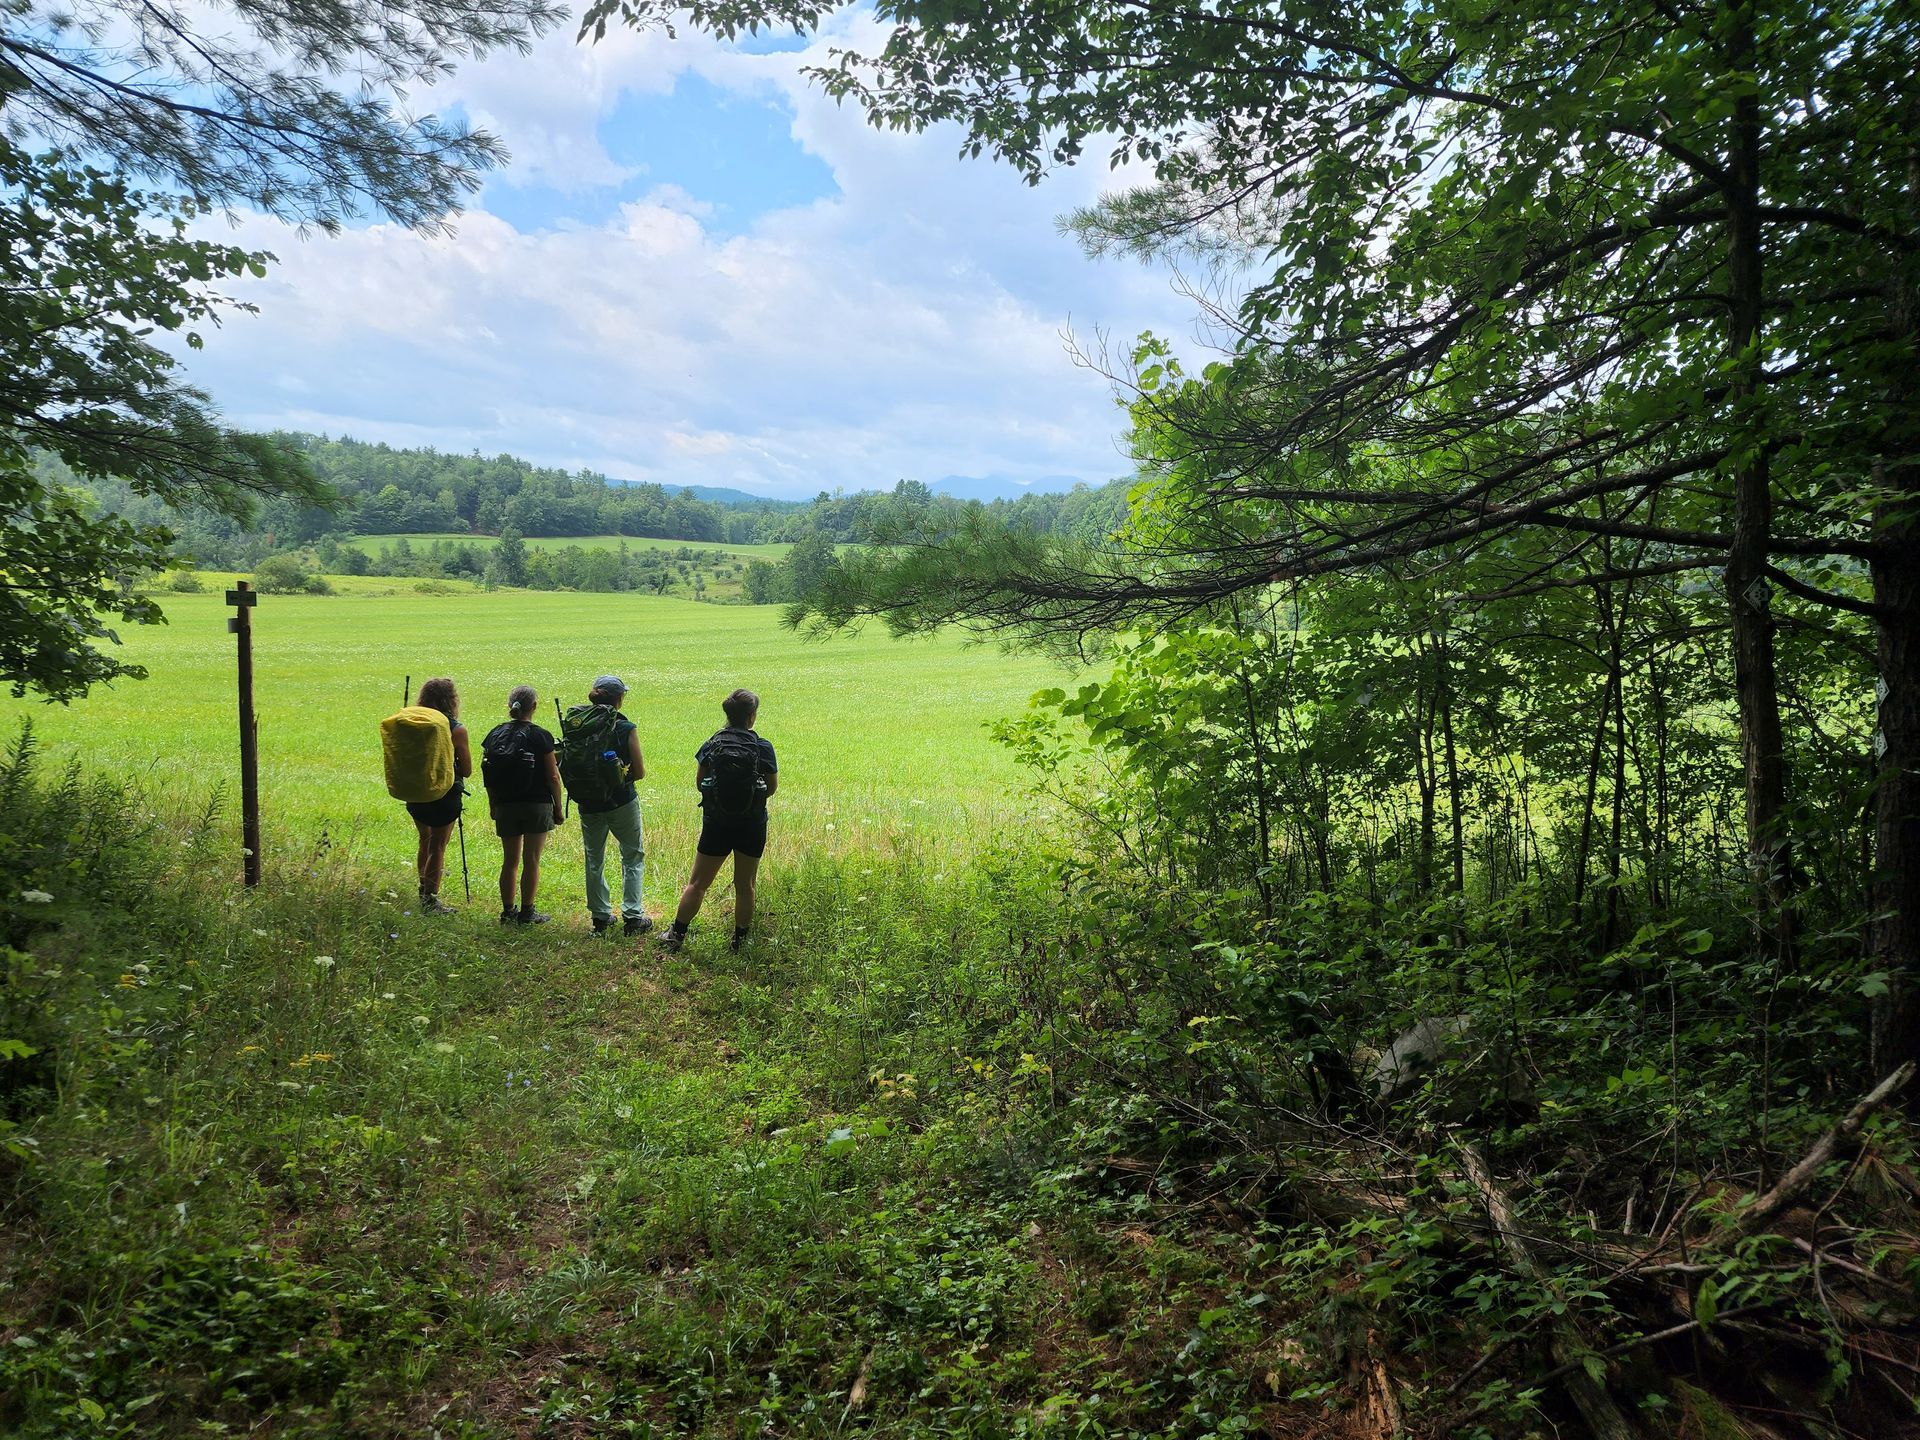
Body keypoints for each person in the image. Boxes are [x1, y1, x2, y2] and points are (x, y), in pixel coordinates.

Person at [658, 688, 778, 953]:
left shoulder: (712, 743)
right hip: (752, 824)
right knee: (745, 885)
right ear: (752, 716)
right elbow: (771, 788)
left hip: (717, 823)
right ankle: (740, 943)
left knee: (698, 883)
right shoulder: (762, 746)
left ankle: (676, 935)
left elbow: (700, 783)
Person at [572, 674, 651, 936]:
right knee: (632, 855)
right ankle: (633, 916)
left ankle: (600, 917)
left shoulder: (578, 724)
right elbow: (638, 771)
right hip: (621, 801)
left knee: (594, 857)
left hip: (587, 802)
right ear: (619, 699)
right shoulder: (624, 727)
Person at [481, 684, 564, 926]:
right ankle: (527, 912)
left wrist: (493, 804)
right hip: (536, 805)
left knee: (510, 861)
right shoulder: (540, 735)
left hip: (506, 804)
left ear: (510, 706)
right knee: (532, 859)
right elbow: (553, 777)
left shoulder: (494, 734)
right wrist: (558, 808)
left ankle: (508, 911)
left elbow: (488, 775)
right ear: (534, 707)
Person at [407, 676, 470, 915]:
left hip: (416, 790)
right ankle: (429, 898)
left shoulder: (413, 722)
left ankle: (423, 887)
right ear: (451, 700)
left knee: (425, 839)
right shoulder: (456, 728)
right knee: (438, 845)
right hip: (444, 794)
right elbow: (466, 770)